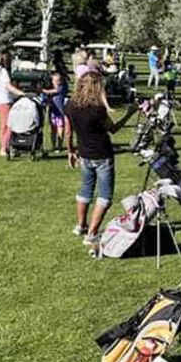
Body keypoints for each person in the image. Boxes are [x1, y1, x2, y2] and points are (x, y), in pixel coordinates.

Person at [64, 71, 124, 250]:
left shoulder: (70, 105)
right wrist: (130, 113)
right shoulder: (98, 109)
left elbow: (68, 132)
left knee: (86, 189)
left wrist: (70, 151)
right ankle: (91, 234)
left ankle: (80, 225)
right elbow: (113, 129)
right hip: (102, 154)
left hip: (84, 153)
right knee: (105, 195)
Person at [0, 52, 25, 157]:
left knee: (3, 126)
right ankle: (4, 148)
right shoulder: (3, 71)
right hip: (4, 101)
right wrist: (20, 93)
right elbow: (8, 86)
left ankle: (8, 147)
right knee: (10, 125)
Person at [41, 69, 69, 153]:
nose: (58, 82)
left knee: (60, 128)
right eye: (55, 81)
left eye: (59, 80)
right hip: (53, 111)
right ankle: (54, 145)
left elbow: (54, 91)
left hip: (60, 112)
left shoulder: (61, 88)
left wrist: (44, 90)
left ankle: (59, 145)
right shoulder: (51, 87)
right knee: (53, 129)